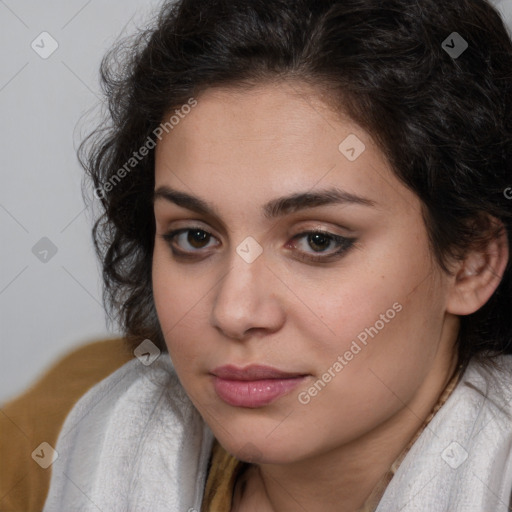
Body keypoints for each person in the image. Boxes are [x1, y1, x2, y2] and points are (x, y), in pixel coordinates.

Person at [43, 0, 512, 510]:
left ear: (471, 262)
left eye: (318, 240)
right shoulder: (53, 429)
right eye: (194, 237)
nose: (234, 313)